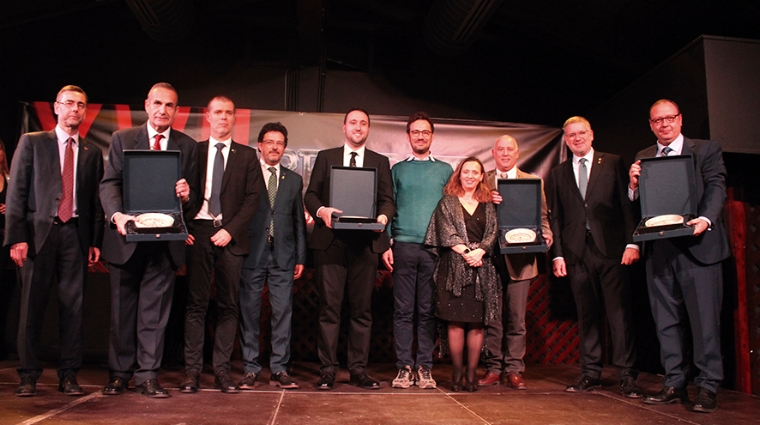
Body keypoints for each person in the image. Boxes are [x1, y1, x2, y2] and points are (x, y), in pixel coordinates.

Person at [629, 99, 729, 413]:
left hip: (700, 249)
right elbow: (639, 206)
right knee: (665, 323)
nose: (664, 124)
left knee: (705, 323)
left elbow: (716, 186)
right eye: (657, 120)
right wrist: (633, 185)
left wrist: (706, 218)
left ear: (680, 119)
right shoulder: (644, 157)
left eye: (669, 118)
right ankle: (674, 382)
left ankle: (708, 385)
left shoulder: (706, 149)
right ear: (650, 124)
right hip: (660, 251)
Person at [99, 82, 198, 398]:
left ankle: (147, 376)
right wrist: (117, 216)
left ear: (177, 110)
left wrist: (187, 194)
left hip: (165, 242)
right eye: (157, 103)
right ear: (147, 104)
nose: (162, 110)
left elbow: (192, 203)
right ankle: (119, 374)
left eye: (169, 105)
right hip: (126, 240)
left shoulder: (188, 146)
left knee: (154, 316)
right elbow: (109, 184)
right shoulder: (123, 139)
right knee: (122, 313)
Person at [4, 85, 104, 397]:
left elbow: (94, 203)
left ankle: (69, 374)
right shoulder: (32, 142)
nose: (75, 109)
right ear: (57, 107)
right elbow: (17, 192)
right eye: (70, 103)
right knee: (32, 307)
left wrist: (94, 241)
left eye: (81, 105)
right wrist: (16, 237)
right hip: (38, 235)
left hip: (75, 235)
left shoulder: (91, 152)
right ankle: (29, 374)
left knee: (73, 309)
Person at [546, 116, 641, 398]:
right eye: (571, 135)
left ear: (591, 135)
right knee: (587, 316)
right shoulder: (558, 173)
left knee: (618, 314)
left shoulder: (611, 162)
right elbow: (556, 217)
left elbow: (626, 206)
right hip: (576, 253)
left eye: (581, 133)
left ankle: (627, 376)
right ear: (565, 139)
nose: (577, 138)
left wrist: (632, 243)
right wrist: (557, 255)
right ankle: (590, 373)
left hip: (611, 250)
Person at [303, 108, 395, 390]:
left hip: (365, 245)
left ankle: (358, 370)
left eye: (363, 123)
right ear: (344, 127)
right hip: (330, 243)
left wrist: (382, 217)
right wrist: (321, 210)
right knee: (329, 309)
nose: (358, 127)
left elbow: (387, 200)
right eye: (353, 122)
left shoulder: (380, 161)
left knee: (361, 311)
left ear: (368, 129)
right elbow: (311, 195)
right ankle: (327, 371)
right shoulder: (326, 156)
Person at [179, 96, 262, 394]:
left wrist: (230, 230)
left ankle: (222, 373)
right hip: (198, 232)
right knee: (196, 305)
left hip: (231, 235)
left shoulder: (248, 155)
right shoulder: (193, 151)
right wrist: (184, 227)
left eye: (229, 113)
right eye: (218, 112)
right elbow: (180, 193)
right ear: (208, 116)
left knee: (229, 306)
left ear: (234, 118)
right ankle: (191, 373)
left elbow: (253, 200)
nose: (223, 117)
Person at [381, 112, 452, 389]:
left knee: (427, 310)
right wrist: (387, 242)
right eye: (415, 132)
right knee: (402, 310)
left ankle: (424, 367)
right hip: (403, 246)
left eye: (425, 132)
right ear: (408, 136)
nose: (420, 136)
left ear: (432, 136)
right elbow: (388, 205)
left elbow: (450, 211)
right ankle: (403, 368)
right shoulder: (397, 169)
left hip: (434, 249)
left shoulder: (445, 170)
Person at [479, 135, 552, 389]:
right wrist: (485, 201)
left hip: (521, 259)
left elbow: (541, 217)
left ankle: (514, 369)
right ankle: (493, 368)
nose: (506, 153)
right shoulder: (482, 181)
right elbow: (470, 214)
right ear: (493, 152)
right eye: (501, 149)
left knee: (516, 318)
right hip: (489, 259)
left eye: (510, 149)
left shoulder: (533, 182)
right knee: (493, 319)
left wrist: (547, 233)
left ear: (518, 153)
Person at [238, 122, 307, 390]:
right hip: (251, 254)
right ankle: (250, 368)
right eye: (269, 142)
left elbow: (298, 221)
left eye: (279, 142)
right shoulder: (248, 175)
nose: (274, 147)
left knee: (283, 313)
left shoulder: (294, 180)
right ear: (260, 145)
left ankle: (279, 369)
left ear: (285, 148)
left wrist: (301, 256)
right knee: (249, 312)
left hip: (284, 256)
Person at [424, 157, 500, 392]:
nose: (469, 176)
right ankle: (456, 374)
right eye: (465, 171)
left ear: (481, 177)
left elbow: (493, 232)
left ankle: (470, 375)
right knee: (455, 321)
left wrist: (481, 251)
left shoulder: (489, 203)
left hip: (482, 268)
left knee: (476, 323)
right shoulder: (447, 202)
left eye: (474, 172)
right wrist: (468, 252)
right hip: (454, 267)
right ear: (459, 175)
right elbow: (445, 231)